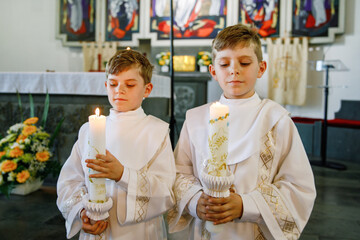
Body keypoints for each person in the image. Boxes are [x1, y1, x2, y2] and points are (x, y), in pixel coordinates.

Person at [167, 24, 316, 239]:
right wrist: (194, 201)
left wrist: (246, 205)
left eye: (244, 63)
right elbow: (179, 172)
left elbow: (299, 187)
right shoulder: (196, 119)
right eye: (224, 64)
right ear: (213, 71)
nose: (234, 70)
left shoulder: (276, 121)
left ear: (261, 68)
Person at [57, 49, 176, 239]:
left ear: (147, 89)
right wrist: (82, 212)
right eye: (113, 84)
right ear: (106, 85)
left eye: (129, 85)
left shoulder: (157, 132)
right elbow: (69, 181)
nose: (119, 90)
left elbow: (166, 193)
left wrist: (122, 174)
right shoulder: (88, 130)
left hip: (138, 232)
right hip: (96, 229)